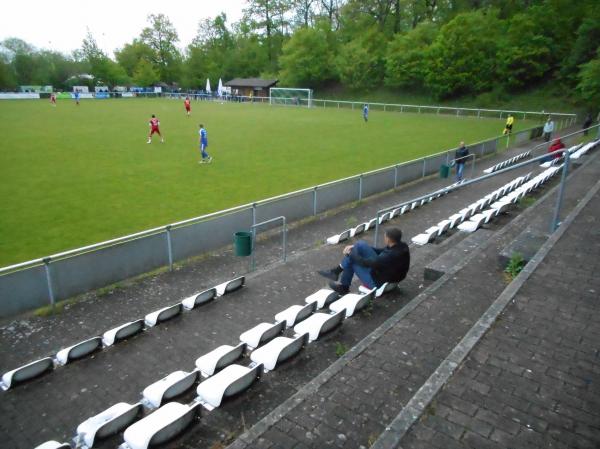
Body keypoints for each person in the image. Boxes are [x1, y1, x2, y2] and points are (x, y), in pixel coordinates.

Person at [317, 227, 410, 295]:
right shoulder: (401, 246)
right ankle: (336, 273)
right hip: (387, 274)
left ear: (388, 239)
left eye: (385, 237)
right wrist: (355, 248)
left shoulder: (388, 256)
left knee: (352, 260)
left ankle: (343, 285)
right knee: (360, 244)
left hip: (378, 282)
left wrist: (351, 254)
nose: (384, 238)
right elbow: (381, 251)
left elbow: (364, 263)